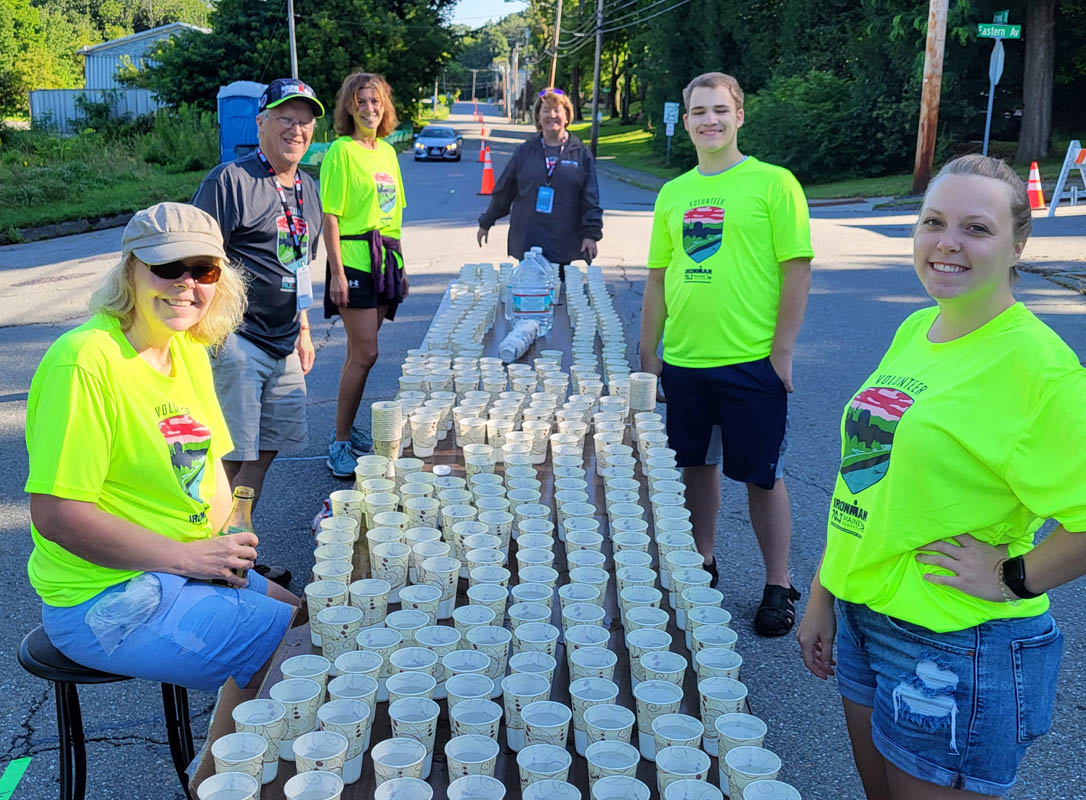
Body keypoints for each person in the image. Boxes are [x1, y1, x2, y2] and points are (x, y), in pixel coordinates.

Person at [797, 155, 1086, 798]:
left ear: (1019, 244)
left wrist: (1014, 576)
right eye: (933, 222)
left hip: (956, 645)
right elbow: (866, 478)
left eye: (976, 229)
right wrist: (824, 590)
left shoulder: (1041, 369)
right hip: (866, 616)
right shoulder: (917, 326)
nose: (947, 243)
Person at [25, 203, 299, 692]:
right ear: (130, 270)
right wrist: (187, 559)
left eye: (203, 270)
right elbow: (58, 516)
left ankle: (243, 751)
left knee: (304, 620)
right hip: (104, 596)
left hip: (180, 564)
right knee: (298, 657)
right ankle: (227, 767)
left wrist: (225, 542)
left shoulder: (188, 347)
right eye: (167, 267)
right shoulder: (85, 361)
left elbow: (211, 466)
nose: (185, 283)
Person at [639, 72, 813, 636]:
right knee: (696, 466)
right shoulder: (673, 193)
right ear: (685, 119)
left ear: (740, 115)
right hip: (687, 361)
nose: (709, 120)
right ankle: (704, 564)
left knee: (762, 477)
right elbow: (658, 279)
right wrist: (649, 353)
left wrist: (781, 351)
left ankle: (778, 583)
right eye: (698, 111)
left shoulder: (773, 184)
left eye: (720, 109)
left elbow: (796, 270)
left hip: (750, 361)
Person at [192, 78, 325, 587]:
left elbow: (300, 268)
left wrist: (305, 328)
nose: (296, 129)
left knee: (265, 452)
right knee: (232, 455)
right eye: (285, 118)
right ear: (261, 123)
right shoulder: (231, 180)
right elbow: (198, 259)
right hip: (237, 340)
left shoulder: (306, 187)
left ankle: (237, 551)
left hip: (285, 340)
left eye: (305, 121)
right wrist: (202, 335)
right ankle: (206, 561)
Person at [321, 71, 409, 478]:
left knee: (359, 355)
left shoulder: (388, 153)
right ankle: (338, 444)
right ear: (349, 107)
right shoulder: (341, 151)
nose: (369, 108)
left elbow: (394, 215)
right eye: (361, 101)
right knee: (368, 352)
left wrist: (400, 266)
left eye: (376, 101)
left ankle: (345, 429)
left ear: (384, 107)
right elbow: (331, 216)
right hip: (353, 263)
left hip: (385, 262)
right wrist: (336, 272)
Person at [476, 87, 603, 268]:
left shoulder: (581, 153)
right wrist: (486, 222)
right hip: (529, 239)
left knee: (561, 294)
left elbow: (591, 198)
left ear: (567, 116)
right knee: (529, 293)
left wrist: (591, 234)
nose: (552, 115)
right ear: (538, 118)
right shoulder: (525, 151)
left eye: (557, 110)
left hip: (563, 242)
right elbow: (505, 191)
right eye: (545, 111)